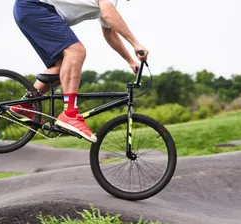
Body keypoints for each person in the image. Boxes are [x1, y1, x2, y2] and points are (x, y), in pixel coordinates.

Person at [9, 0, 149, 143]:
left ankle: (24, 104)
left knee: (64, 68)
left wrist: (130, 61)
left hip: (30, 10)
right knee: (76, 51)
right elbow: (108, 15)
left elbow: (110, 34)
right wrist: (135, 43)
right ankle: (70, 113)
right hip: (35, 7)